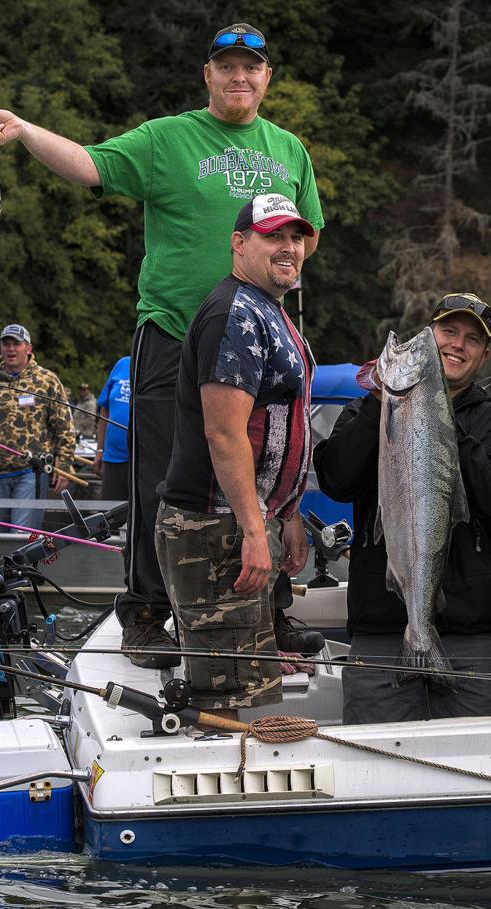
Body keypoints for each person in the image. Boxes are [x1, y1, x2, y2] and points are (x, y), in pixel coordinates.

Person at [0, 22, 325, 668]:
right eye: (227, 66)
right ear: (207, 75)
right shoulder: (167, 138)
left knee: (262, 468)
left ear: (267, 78)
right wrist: (26, 131)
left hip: (257, 340)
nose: (239, 77)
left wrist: (276, 273)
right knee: (161, 478)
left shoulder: (288, 149)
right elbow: (90, 166)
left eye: (251, 68)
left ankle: (268, 610)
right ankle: (145, 613)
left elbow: (308, 235)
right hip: (175, 333)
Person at [314, 293, 491, 723]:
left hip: (470, 635)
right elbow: (336, 479)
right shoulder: (370, 408)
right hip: (380, 631)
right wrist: (384, 399)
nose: (457, 344)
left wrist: (438, 418)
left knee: (478, 766)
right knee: (378, 769)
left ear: (484, 355)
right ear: (430, 338)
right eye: (449, 331)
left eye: (472, 339)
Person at [152, 194, 316, 714]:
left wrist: (284, 514)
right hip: (215, 527)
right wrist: (251, 529)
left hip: (243, 520)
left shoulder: (267, 309)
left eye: (296, 237)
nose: (289, 248)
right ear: (239, 244)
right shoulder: (233, 313)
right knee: (226, 700)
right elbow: (224, 434)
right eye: (274, 237)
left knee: (250, 688)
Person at [0, 324, 76, 532]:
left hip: (31, 472)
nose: (11, 349)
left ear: (28, 348)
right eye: (6, 344)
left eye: (16, 344)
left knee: (22, 537)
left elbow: (64, 426)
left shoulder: (47, 380)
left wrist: (64, 464)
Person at [94, 355, 131, 501]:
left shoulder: (156, 365)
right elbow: (105, 409)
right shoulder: (122, 364)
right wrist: (100, 450)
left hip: (143, 461)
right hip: (113, 457)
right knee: (110, 517)